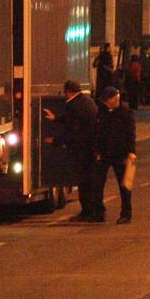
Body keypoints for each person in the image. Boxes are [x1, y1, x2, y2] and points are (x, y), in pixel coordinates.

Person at [44, 79, 101, 221]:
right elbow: (72, 119)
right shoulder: (88, 102)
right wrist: (56, 118)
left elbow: (73, 130)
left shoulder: (73, 105)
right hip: (92, 148)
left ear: (68, 92)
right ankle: (94, 211)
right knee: (91, 182)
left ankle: (87, 212)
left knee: (83, 182)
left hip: (81, 150)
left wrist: (56, 141)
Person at [94, 86, 136, 223]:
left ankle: (126, 214)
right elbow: (99, 134)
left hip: (120, 154)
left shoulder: (125, 114)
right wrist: (98, 151)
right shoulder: (102, 113)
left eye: (108, 99)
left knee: (124, 186)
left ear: (115, 99)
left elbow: (131, 134)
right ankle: (99, 212)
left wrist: (131, 152)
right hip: (105, 153)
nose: (105, 102)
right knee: (98, 184)